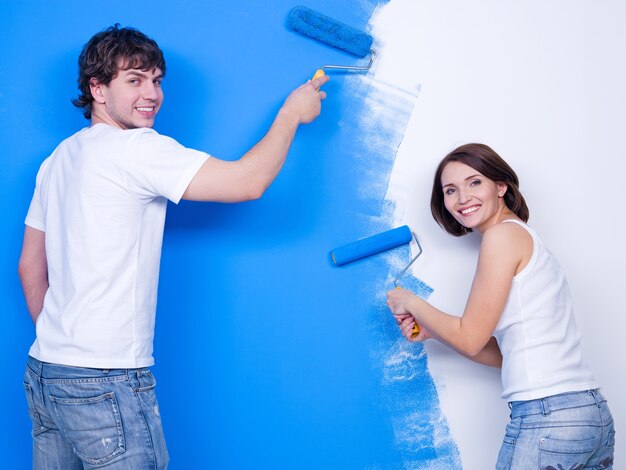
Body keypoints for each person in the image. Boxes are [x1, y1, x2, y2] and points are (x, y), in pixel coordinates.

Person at [18, 24, 328, 469]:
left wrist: (63, 342)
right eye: (134, 79)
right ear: (97, 89)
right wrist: (291, 115)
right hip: (104, 377)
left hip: (47, 371)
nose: (152, 93)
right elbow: (249, 182)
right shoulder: (136, 149)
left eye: (157, 80)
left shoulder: (59, 159)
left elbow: (30, 267)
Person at [386, 143, 615, 469]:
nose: (462, 197)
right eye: (451, 189)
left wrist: (409, 301)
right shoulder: (522, 238)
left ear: (501, 186)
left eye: (474, 182)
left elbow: (469, 338)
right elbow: (506, 352)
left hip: (548, 419)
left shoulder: (501, 237)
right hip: (587, 414)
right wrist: (433, 332)